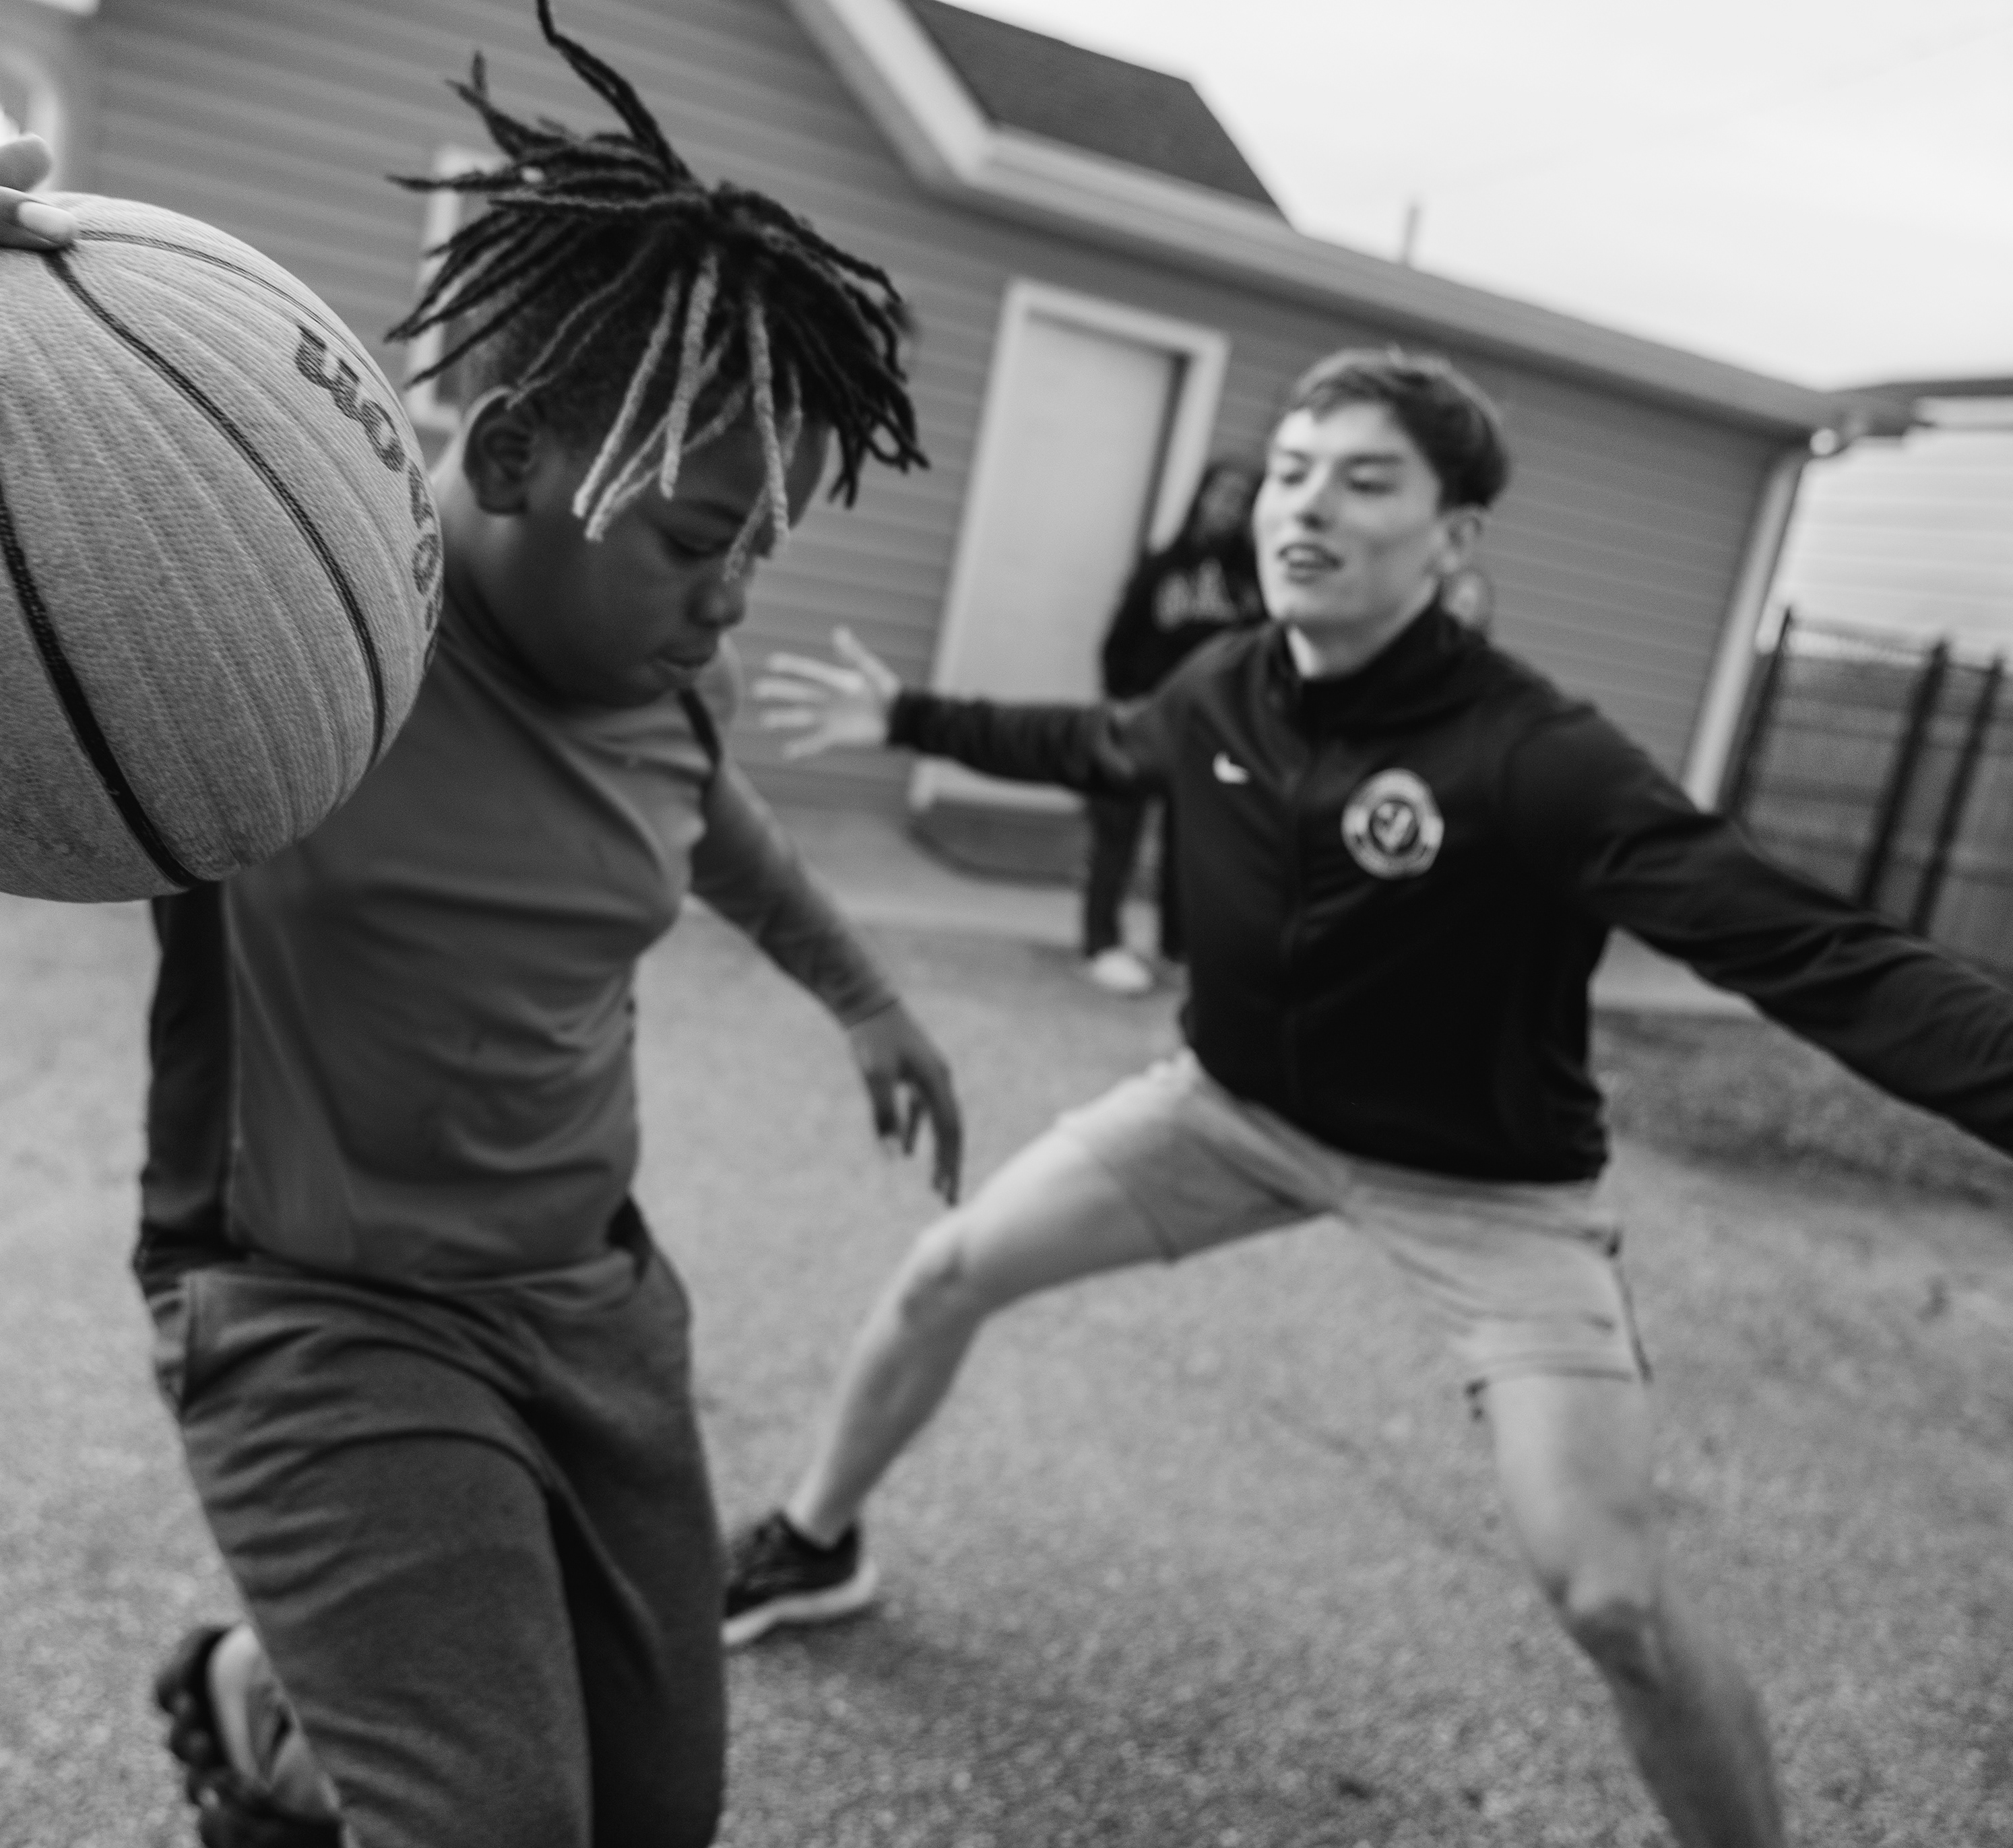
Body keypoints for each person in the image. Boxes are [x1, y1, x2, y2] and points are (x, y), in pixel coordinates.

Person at [0, 7, 961, 1845]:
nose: (732, 595)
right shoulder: (264, 635)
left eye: (762, 547)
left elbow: (717, 828)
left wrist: (865, 996)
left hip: (592, 1290)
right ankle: (272, 1720)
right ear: (512, 457)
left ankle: (282, 1702)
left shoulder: (666, 686)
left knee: (655, 1820)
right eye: (693, 537)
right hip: (316, 1307)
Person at [734, 347, 2013, 1848]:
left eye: (1363, 480)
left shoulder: (1537, 759)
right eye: (1290, 472)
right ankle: (816, 1540)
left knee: (1611, 1595)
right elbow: (1096, 744)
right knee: (946, 1269)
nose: (1307, 506)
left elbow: (1811, 947)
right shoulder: (1221, 686)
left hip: (1489, 1191)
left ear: (1453, 536)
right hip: (1229, 1114)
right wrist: (909, 718)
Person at [1077, 458, 1263, 995]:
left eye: (1241, 498)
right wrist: (1121, 708)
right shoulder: (1161, 566)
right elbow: (1117, 642)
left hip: (1214, 730)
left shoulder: (1252, 584)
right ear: (1201, 497)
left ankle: (1176, 949)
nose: (1228, 506)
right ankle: (1101, 943)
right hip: (1142, 718)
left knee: (1193, 845)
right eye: (1221, 493)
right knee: (1117, 835)